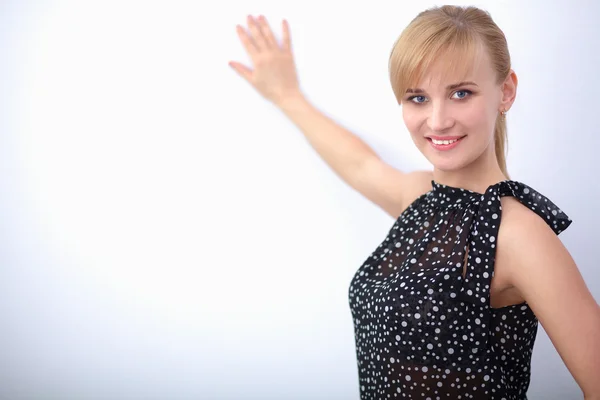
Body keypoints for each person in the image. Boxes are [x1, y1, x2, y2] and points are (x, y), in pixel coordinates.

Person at [229, 5, 600, 399]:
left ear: (505, 92)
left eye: (461, 93)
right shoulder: (421, 198)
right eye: (418, 98)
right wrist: (286, 95)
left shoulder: (518, 234)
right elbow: (359, 164)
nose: (437, 121)